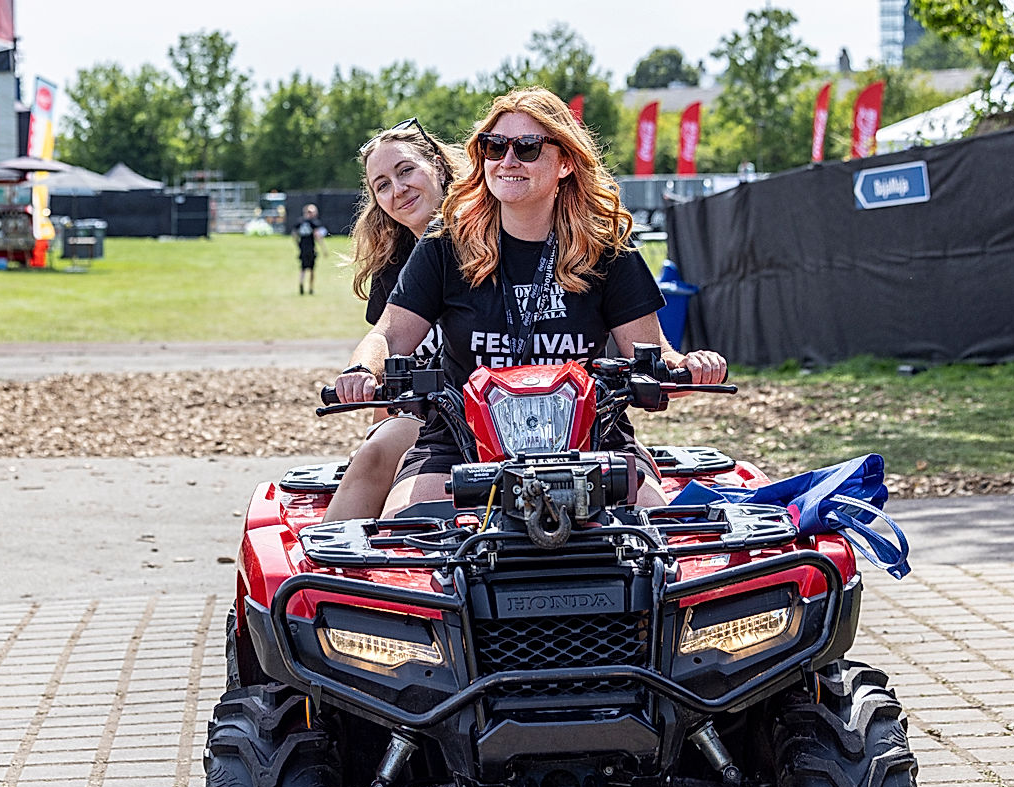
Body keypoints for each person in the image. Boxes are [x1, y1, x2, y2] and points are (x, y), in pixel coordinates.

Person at [334, 86, 726, 517]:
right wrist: (361, 369)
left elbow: (653, 356)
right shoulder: (445, 244)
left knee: (652, 529)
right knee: (409, 528)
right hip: (461, 439)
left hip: (592, 438)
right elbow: (388, 335)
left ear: (565, 162)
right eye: (494, 146)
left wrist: (691, 367)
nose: (508, 160)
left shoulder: (607, 248)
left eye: (527, 146)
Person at [322, 119, 465, 522]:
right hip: (434, 414)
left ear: (437, 165)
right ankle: (332, 579)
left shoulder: (495, 237)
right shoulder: (393, 266)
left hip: (510, 408)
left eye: (405, 171)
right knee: (373, 456)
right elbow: (388, 356)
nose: (397, 190)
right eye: (382, 185)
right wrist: (375, 428)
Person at [292, 204, 327, 294]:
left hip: (302, 248)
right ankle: (311, 288)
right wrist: (323, 248)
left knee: (303, 268)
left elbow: (294, 234)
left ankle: (301, 282)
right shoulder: (313, 223)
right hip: (311, 248)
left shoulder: (299, 222)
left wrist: (298, 244)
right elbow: (317, 236)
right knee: (311, 269)